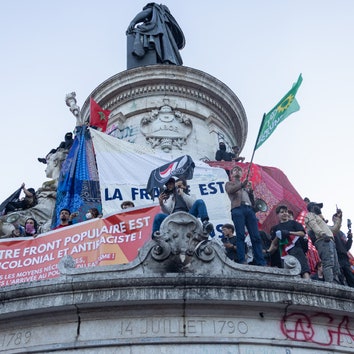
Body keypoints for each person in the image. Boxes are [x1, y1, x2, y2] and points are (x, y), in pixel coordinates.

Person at [225, 165, 266, 266]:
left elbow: (252, 202)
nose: (237, 171)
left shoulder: (245, 188)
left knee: (256, 237)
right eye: (235, 170)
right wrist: (241, 185)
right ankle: (242, 260)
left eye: (239, 170)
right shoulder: (229, 183)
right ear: (232, 174)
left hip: (249, 209)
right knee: (240, 235)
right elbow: (230, 190)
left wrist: (251, 191)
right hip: (237, 209)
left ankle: (260, 261)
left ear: (242, 173)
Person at [126, 3, 185, 69]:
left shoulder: (156, 10)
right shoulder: (166, 23)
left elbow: (146, 13)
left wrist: (133, 22)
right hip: (166, 44)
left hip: (159, 35)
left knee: (139, 31)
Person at [268, 205, 311, 279]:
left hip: (297, 249)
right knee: (288, 273)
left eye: (286, 212)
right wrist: (268, 250)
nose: (285, 213)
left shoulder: (294, 223)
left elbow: (302, 233)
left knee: (304, 270)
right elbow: (274, 243)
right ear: (278, 215)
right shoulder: (276, 228)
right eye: (282, 212)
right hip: (284, 253)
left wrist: (289, 232)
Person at [305, 202, 342, 283]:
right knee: (328, 264)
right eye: (317, 206)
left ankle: (336, 283)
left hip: (329, 240)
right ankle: (330, 284)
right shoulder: (310, 215)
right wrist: (322, 234)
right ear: (312, 207)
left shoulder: (320, 220)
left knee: (335, 267)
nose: (319, 208)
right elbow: (313, 225)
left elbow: (333, 230)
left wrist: (338, 219)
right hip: (322, 240)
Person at [333, 214, 354, 287]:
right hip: (336, 256)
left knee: (349, 275)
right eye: (336, 219)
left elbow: (347, 247)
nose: (337, 221)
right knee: (339, 275)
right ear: (333, 220)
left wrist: (350, 239)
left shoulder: (342, 233)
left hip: (345, 257)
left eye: (339, 219)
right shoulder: (331, 230)